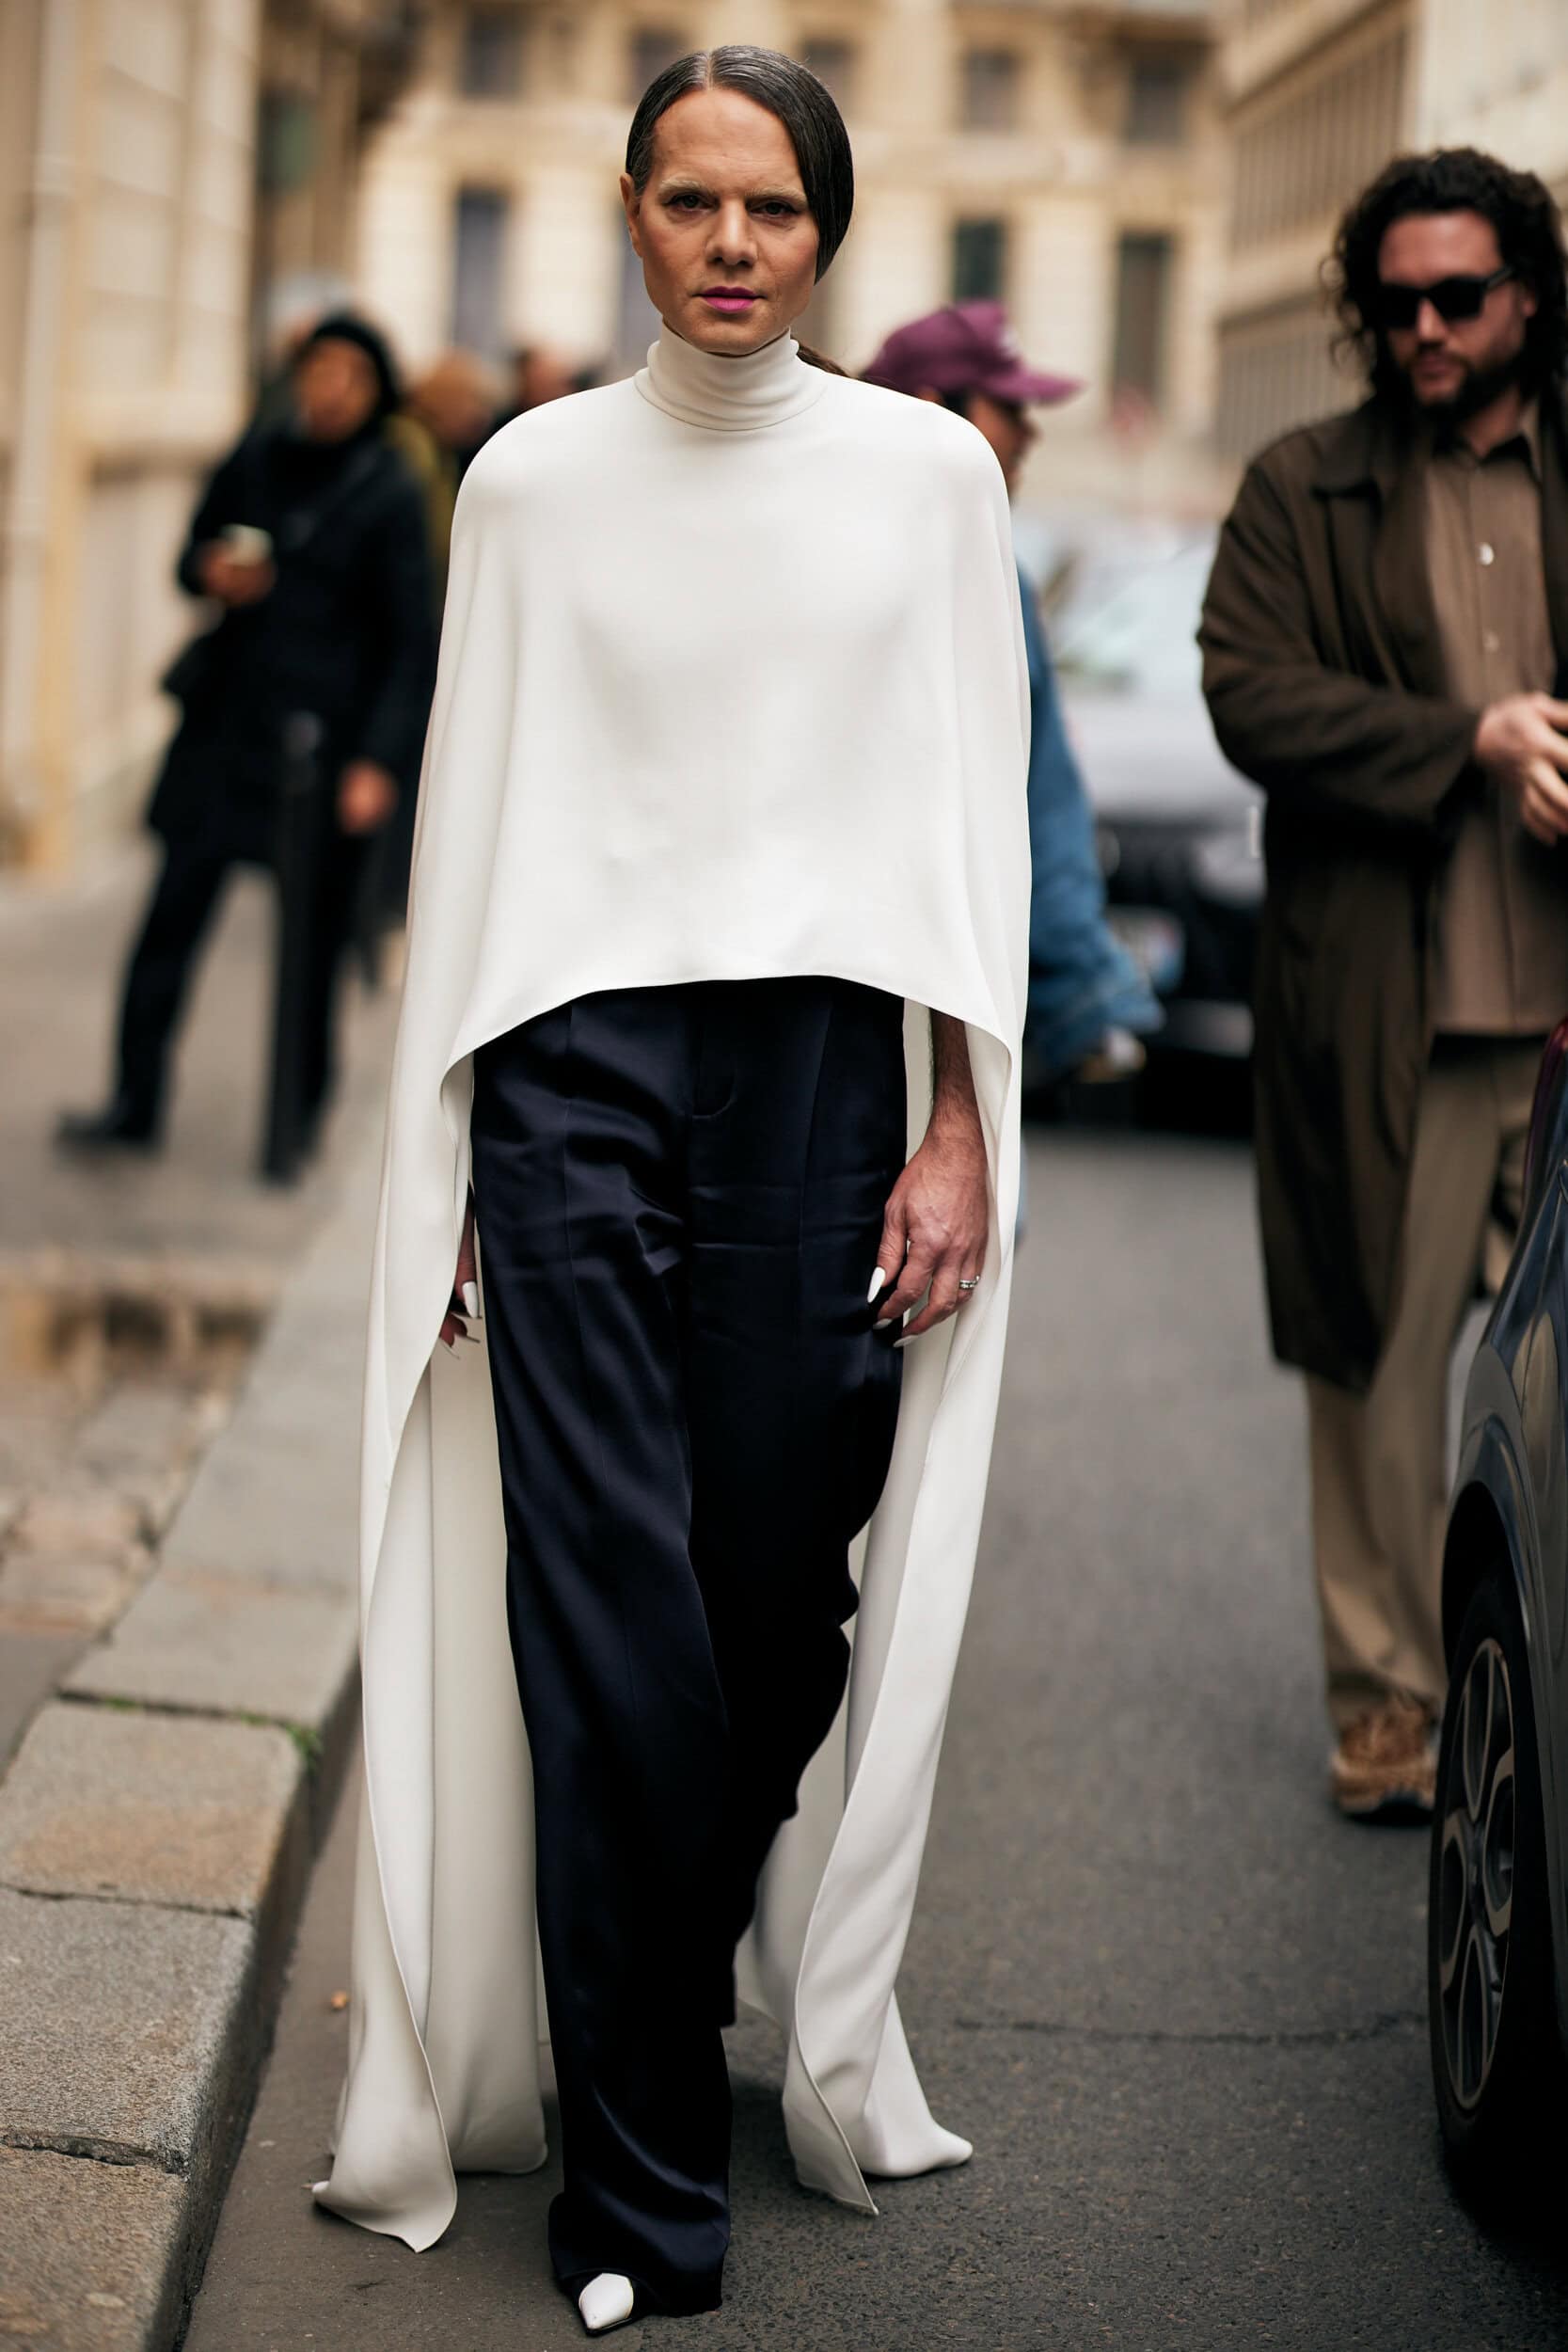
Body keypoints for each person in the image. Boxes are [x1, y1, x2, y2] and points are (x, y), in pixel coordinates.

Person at [311, 44, 1029, 2337]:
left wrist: (958, 1121)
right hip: (569, 1074)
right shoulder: (527, 481)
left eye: (773, 207)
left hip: (826, 1071)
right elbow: (471, 822)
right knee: (602, 1597)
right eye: (689, 199)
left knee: (773, 1593)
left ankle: (671, 1942)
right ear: (627, 210)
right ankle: (636, 2188)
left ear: (828, 230)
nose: (730, 243)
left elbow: (966, 825)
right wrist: (442, 1165)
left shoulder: (926, 480)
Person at [1200, 148, 1568, 1820]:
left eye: (1457, 297)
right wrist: (1465, 740)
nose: (1422, 326)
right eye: (1395, 299)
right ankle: (1384, 1699)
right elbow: (1248, 695)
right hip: (1393, 1018)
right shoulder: (1304, 485)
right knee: (1377, 1373)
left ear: (1526, 298)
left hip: (1555, 1020)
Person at [59, 313, 436, 1160]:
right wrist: (210, 572)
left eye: (349, 374)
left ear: (374, 390)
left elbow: (409, 641)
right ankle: (133, 1101)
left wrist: (377, 762)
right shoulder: (258, 457)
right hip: (225, 730)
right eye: (318, 369)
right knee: (168, 922)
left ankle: (296, 1123)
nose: (329, 389)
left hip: (320, 748)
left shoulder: (387, 488)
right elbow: (188, 554)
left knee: (311, 948)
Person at [863, 301, 1161, 1085]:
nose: (1029, 435)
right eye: (1011, 409)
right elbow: (1041, 808)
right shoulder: (963, 570)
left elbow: (1036, 801)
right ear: (934, 409)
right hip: (873, 998)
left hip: (901, 1002)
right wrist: (1085, 992)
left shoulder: (992, 572)